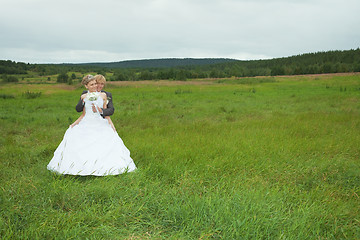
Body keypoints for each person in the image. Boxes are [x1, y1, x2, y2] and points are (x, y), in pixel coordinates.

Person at [47, 74, 137, 176]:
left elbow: (106, 112)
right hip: (87, 122)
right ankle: (80, 166)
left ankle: (103, 166)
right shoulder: (84, 96)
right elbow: (83, 114)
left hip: (99, 122)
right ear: (86, 86)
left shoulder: (103, 95)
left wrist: (110, 123)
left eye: (96, 84)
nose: (95, 86)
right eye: (93, 84)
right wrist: (74, 124)